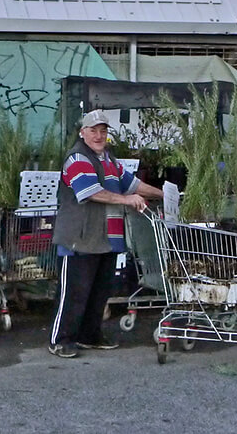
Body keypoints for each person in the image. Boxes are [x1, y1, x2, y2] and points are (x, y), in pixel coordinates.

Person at [48, 109, 164, 358]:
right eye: (93, 131)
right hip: (79, 238)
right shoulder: (78, 158)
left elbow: (132, 184)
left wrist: (165, 195)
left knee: (99, 291)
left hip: (108, 239)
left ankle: (90, 336)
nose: (99, 136)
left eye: (103, 131)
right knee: (74, 293)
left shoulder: (109, 159)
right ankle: (60, 339)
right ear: (83, 132)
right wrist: (127, 199)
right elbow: (91, 192)